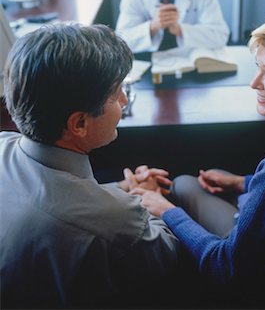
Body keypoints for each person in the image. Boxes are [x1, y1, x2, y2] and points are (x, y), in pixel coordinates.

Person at [129, 9, 265, 307]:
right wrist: (242, 182)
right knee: (185, 183)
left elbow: (225, 266)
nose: (254, 82)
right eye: (257, 68)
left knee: (181, 187)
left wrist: (164, 209)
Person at [0, 23, 180, 309]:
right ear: (79, 124)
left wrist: (120, 190)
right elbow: (165, 255)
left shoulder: (3, 143)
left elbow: (58, 199)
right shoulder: (116, 219)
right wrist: (145, 199)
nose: (124, 100)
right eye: (117, 92)